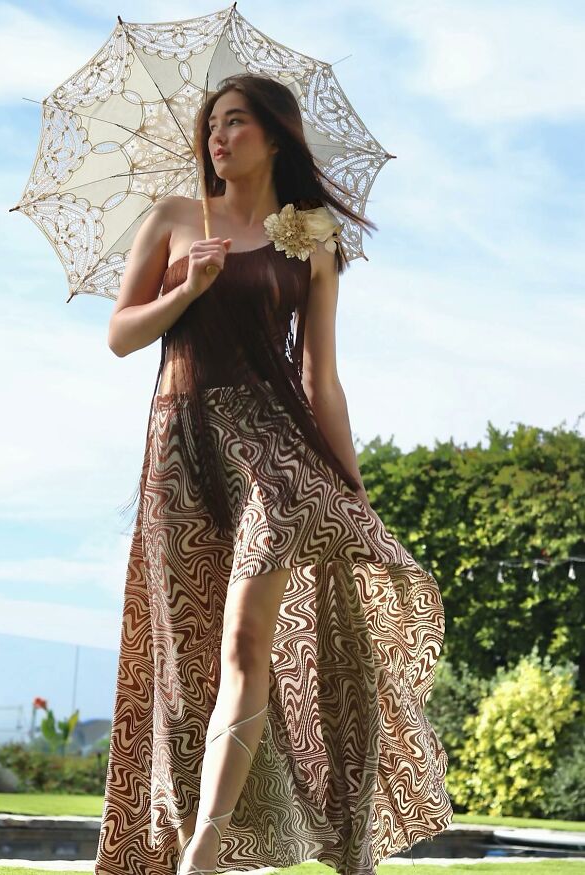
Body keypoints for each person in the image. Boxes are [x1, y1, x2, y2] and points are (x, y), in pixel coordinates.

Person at [95, 73, 453, 875]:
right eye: (211, 126)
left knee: (248, 640)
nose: (219, 138)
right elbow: (121, 335)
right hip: (180, 448)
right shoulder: (174, 220)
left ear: (275, 136)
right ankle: (194, 834)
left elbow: (323, 375)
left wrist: (352, 485)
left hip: (275, 455)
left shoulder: (313, 236)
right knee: (190, 655)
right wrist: (187, 289)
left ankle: (204, 848)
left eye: (235, 124)